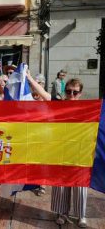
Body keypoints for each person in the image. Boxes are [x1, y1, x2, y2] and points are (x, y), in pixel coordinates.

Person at [50, 78, 87, 227]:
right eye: (68, 91)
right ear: (64, 91)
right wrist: (28, 77)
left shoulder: (87, 108)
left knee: (80, 185)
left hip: (80, 151)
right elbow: (45, 96)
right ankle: (62, 212)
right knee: (60, 184)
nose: (71, 94)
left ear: (80, 93)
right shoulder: (58, 105)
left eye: (75, 92)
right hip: (61, 150)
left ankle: (81, 215)